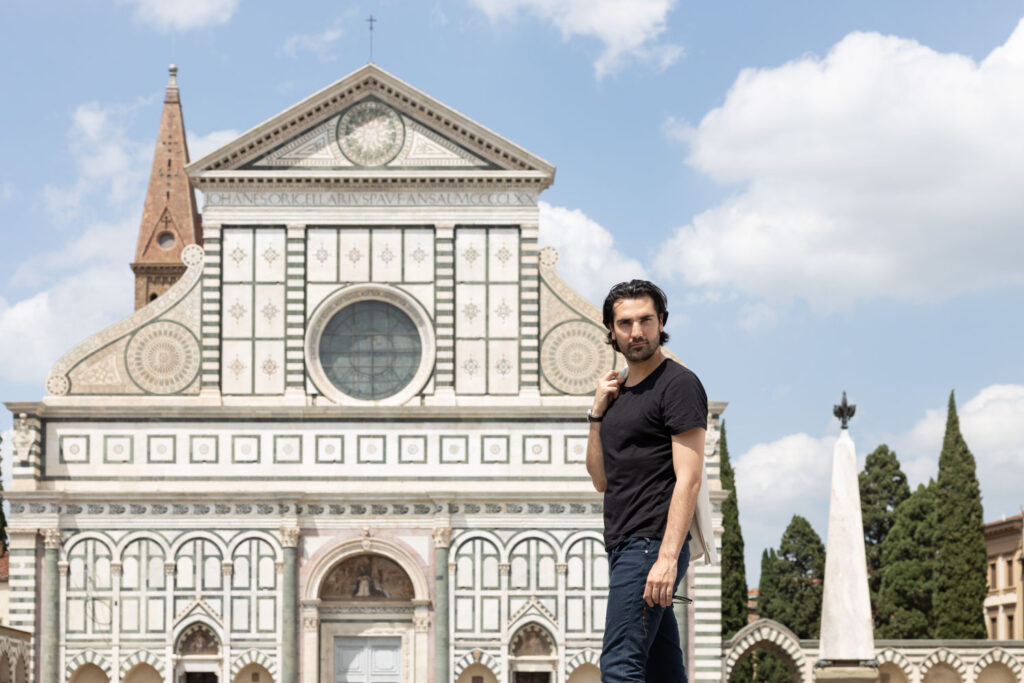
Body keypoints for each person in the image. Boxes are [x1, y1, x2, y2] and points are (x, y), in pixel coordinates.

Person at [585, 279, 716, 682]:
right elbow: (600, 479)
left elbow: (689, 480)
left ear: (662, 322)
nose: (636, 332)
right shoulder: (618, 392)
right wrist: (596, 414)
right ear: (611, 330)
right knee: (663, 671)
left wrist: (665, 558)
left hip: (650, 546)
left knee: (620, 665)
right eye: (625, 323)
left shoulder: (679, 385)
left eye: (645, 320)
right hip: (623, 543)